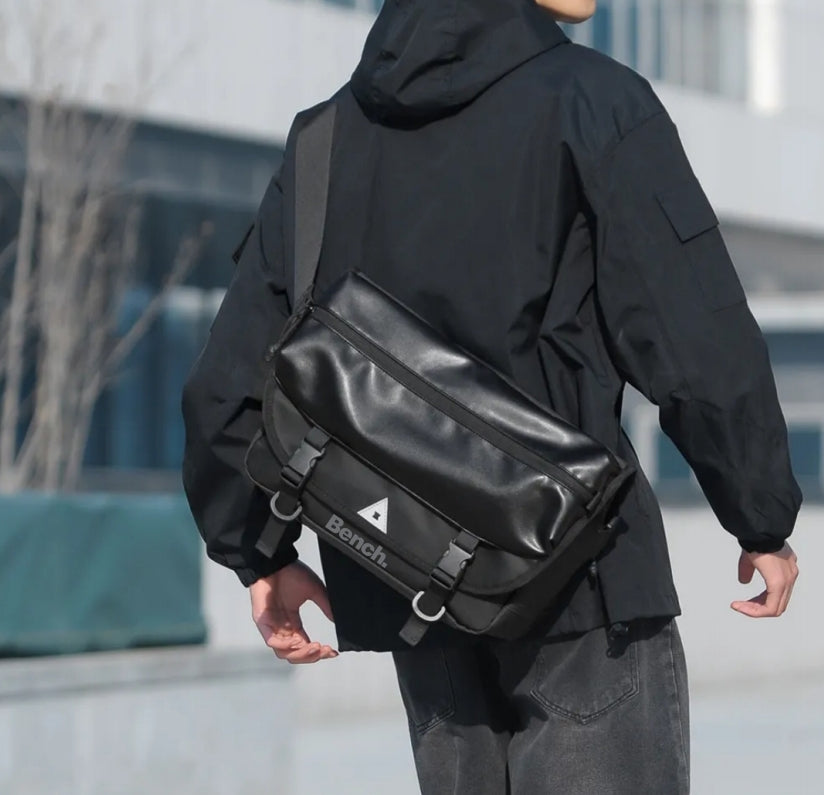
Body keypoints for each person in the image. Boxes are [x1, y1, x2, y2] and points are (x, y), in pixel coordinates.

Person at [181, 0, 802, 791]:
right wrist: (758, 513)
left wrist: (258, 555)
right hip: (580, 584)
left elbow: (229, 378)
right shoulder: (594, 102)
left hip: (415, 586)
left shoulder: (326, 139)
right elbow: (691, 330)